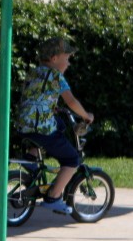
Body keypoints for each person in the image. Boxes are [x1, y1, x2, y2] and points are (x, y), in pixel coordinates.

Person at [14, 37, 95, 215]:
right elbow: (71, 102)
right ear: (54, 58)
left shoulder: (34, 72)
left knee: (59, 123)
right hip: (41, 128)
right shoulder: (56, 76)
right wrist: (85, 116)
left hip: (24, 124)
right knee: (72, 159)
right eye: (67, 58)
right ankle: (54, 197)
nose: (69, 63)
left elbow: (37, 97)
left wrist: (53, 107)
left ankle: (32, 157)